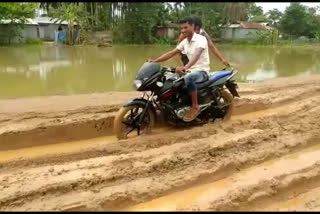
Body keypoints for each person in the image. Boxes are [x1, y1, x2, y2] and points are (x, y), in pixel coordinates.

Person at [150, 17, 210, 122]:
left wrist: (185, 67)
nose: (183, 30)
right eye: (181, 28)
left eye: (185, 27)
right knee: (169, 79)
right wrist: (155, 61)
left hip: (201, 71)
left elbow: (196, 55)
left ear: (193, 26)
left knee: (188, 78)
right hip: (189, 70)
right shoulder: (185, 42)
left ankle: (195, 106)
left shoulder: (201, 39)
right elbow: (171, 53)